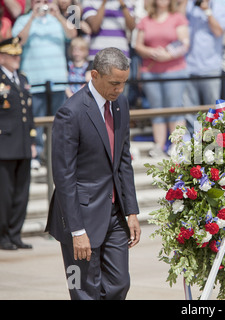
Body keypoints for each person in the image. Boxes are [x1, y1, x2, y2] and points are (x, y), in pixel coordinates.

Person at [46, 47, 141, 300]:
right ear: (95, 75)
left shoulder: (120, 102)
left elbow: (123, 160)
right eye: (114, 83)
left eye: (123, 83)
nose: (119, 89)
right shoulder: (70, 112)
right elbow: (64, 177)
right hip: (78, 217)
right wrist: (76, 231)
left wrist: (131, 210)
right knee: (82, 290)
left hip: (115, 213)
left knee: (120, 284)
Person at [12, 0, 76, 169]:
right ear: (31, 4)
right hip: (34, 81)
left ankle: (58, 157)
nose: (42, 4)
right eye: (37, 1)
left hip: (58, 81)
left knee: (60, 122)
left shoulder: (58, 18)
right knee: (36, 121)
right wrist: (32, 17)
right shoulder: (23, 20)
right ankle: (37, 155)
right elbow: (18, 41)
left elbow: (73, 35)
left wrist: (59, 16)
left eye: (45, 1)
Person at [134, 0, 189, 156]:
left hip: (174, 70)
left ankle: (177, 146)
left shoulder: (177, 17)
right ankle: (159, 145)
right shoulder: (145, 20)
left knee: (174, 107)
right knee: (156, 109)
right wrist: (152, 52)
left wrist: (168, 55)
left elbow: (184, 43)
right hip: (150, 72)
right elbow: (138, 45)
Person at [0, 37, 35, 250]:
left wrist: (31, 139)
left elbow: (28, 113)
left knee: (22, 192)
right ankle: (3, 235)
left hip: (22, 143)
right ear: (2, 56)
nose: (16, 58)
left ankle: (15, 233)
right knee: (4, 194)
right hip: (4, 145)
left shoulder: (22, 78)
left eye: (18, 55)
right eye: (12, 55)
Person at [178, 0, 225, 134]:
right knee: (189, 112)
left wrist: (207, 11)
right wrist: (183, 4)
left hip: (211, 68)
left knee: (212, 110)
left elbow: (218, 31)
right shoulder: (188, 5)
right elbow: (176, 23)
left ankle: (212, 141)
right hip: (188, 67)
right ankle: (194, 141)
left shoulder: (220, 8)